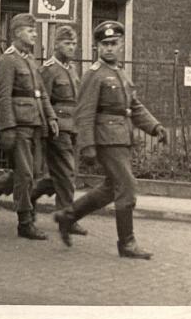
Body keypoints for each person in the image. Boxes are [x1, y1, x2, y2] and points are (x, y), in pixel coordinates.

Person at [55, 21, 168, 258]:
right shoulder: (94, 75)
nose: (109, 48)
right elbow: (84, 112)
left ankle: (68, 216)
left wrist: (154, 126)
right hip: (106, 139)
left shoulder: (119, 73)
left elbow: (134, 106)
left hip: (121, 137)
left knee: (110, 189)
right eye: (104, 44)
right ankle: (126, 244)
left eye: (113, 43)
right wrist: (87, 145)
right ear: (97, 47)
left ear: (121, 45)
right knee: (126, 186)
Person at [0, 12, 58, 240]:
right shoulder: (8, 60)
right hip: (18, 125)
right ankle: (24, 221)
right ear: (17, 33)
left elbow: (41, 93)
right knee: (26, 174)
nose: (35, 34)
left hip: (35, 123)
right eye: (30, 30)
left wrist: (51, 117)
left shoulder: (29, 59)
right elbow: (3, 97)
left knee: (32, 172)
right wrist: (7, 128)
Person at [35, 25, 87, 236]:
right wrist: (48, 124)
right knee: (66, 173)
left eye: (74, 43)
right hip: (58, 128)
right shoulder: (49, 69)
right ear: (56, 44)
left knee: (62, 174)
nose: (71, 47)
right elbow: (43, 99)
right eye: (67, 43)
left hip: (73, 127)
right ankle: (67, 217)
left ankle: (29, 196)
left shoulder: (72, 69)